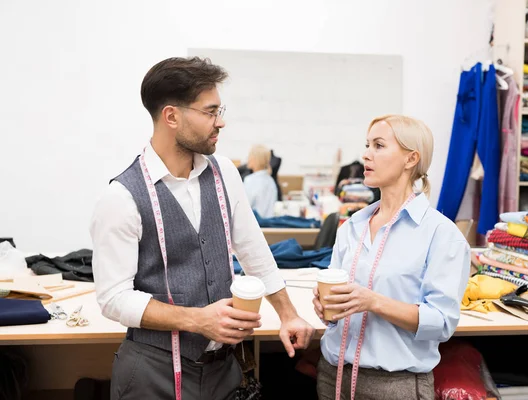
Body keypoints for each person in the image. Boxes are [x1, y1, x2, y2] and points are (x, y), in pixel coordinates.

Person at [90, 56, 314, 400]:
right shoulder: (121, 197)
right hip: (153, 372)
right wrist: (198, 320)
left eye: (220, 111)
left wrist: (288, 315)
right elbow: (113, 299)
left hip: (223, 369)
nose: (220, 123)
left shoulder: (224, 172)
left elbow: (253, 249)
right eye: (210, 112)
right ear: (172, 116)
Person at [312, 115, 470, 400]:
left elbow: (441, 322)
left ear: (411, 159)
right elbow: (340, 303)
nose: (365, 154)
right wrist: (327, 310)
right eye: (367, 144)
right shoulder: (352, 227)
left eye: (379, 145)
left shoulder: (441, 234)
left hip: (394, 386)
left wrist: (373, 301)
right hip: (333, 377)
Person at [243, 144, 278, 218]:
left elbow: (244, 208)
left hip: (254, 225)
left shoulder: (250, 180)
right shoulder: (271, 181)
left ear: (255, 159)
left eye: (249, 156)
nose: (247, 159)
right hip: (269, 225)